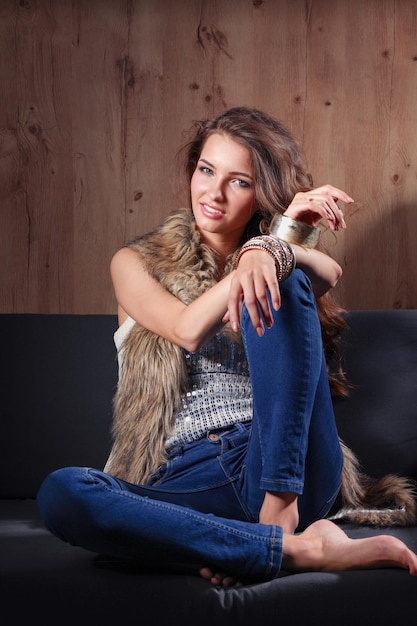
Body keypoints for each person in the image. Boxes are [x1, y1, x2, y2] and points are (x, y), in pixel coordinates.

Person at [37, 107, 417, 585]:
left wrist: (271, 248)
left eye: (239, 181)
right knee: (62, 492)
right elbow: (187, 328)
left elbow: (327, 274)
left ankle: (273, 520)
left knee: (286, 278)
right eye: (206, 170)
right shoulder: (133, 264)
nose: (213, 193)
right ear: (192, 170)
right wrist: (260, 255)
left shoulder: (272, 262)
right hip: (188, 478)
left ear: (261, 193)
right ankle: (289, 550)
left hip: (289, 469)